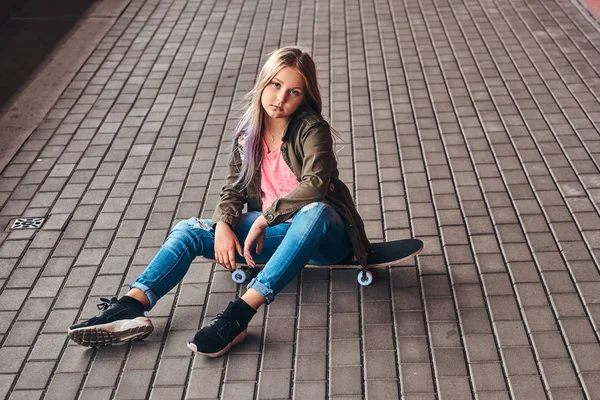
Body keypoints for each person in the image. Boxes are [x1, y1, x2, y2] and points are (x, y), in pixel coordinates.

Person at [68, 46, 371, 358]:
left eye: (293, 91)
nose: (280, 98)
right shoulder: (247, 134)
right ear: (263, 82)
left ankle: (237, 316)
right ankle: (130, 306)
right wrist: (224, 225)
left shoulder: (311, 129)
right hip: (278, 237)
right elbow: (233, 189)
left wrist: (266, 218)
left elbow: (316, 185)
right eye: (275, 85)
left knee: (315, 211)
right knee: (188, 230)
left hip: (325, 237)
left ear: (304, 96)